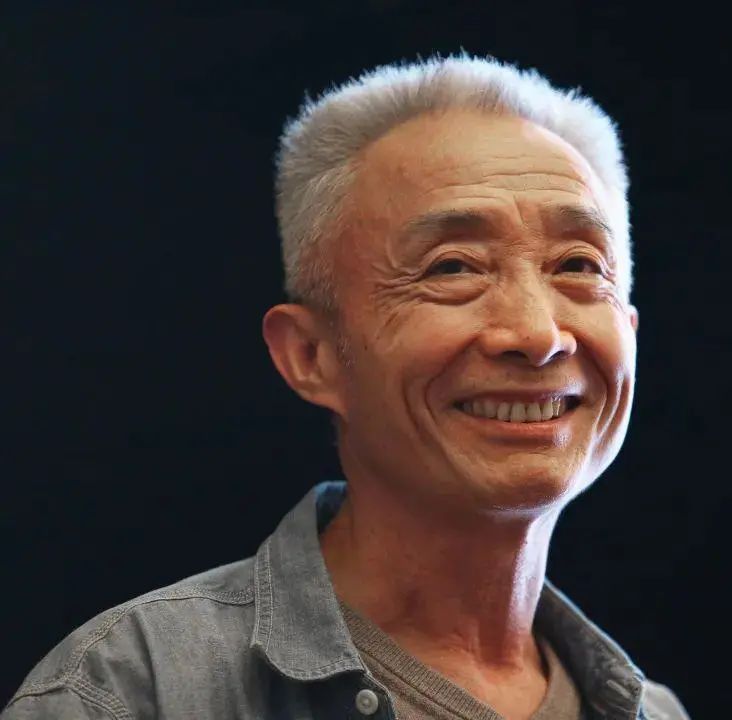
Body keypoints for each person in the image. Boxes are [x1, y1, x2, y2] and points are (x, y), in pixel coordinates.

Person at [3, 54, 690, 720]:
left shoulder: (652, 712)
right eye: (453, 268)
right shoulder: (131, 694)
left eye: (578, 265)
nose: (538, 335)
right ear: (311, 354)